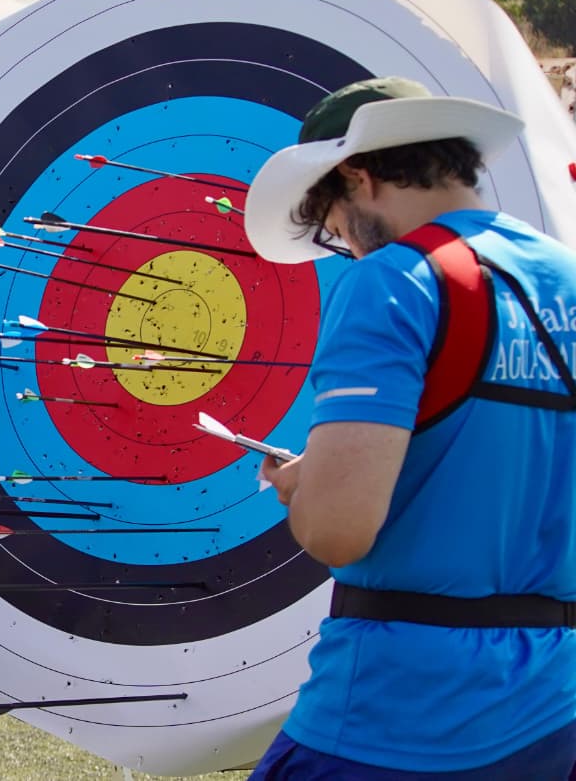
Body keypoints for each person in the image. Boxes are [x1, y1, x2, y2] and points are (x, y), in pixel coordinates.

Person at [242, 77, 576, 778]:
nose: (346, 250)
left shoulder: (394, 281)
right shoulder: (566, 275)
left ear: (358, 177)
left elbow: (337, 530)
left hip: (400, 708)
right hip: (555, 705)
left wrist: (308, 490)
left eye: (333, 229)